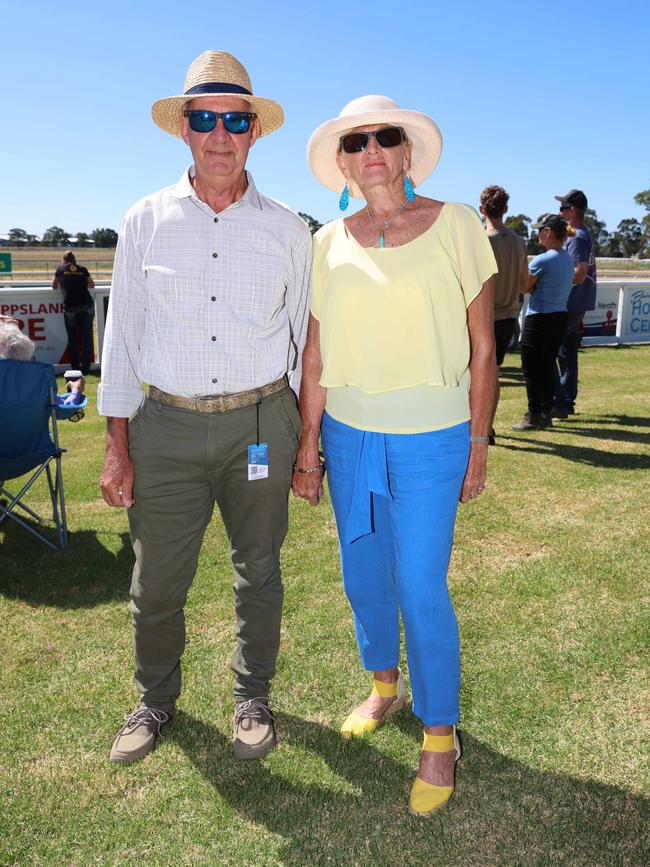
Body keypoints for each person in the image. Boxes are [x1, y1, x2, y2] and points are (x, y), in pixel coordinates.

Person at [98, 51, 311, 765]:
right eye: (205, 118)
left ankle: (254, 696)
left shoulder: (288, 229)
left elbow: (307, 340)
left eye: (235, 119)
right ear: (184, 130)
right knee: (156, 579)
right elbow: (121, 337)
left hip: (260, 427)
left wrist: (306, 442)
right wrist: (115, 444)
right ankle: (155, 699)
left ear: (255, 132)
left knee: (260, 568)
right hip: (166, 428)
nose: (221, 133)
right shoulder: (144, 219)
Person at [294, 95, 497, 816]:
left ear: (407, 153)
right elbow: (315, 351)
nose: (371, 149)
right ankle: (385, 685)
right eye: (357, 140)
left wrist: (477, 442)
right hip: (349, 435)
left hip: (434, 436)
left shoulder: (457, 225)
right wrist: (308, 444)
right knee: (362, 576)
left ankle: (440, 731)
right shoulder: (326, 241)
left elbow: (482, 347)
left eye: (386, 137)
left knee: (419, 583)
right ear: (343, 161)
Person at [512, 214, 574, 431]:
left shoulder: (542, 260)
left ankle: (534, 414)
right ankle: (545, 413)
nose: (537, 234)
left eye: (540, 230)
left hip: (539, 318)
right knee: (547, 366)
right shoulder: (567, 259)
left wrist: (529, 284)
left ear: (548, 232)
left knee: (531, 368)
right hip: (559, 317)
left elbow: (523, 286)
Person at [479, 185, 528, 438]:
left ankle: (479, 428)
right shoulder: (519, 242)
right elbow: (523, 283)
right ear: (506, 209)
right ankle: (487, 427)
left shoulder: (482, 241)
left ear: (481, 209)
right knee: (494, 373)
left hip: (483, 316)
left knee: (477, 374)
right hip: (508, 316)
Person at [552, 189, 597, 417]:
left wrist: (554, 279)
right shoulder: (581, 234)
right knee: (566, 352)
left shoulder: (577, 237)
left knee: (549, 349)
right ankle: (566, 399)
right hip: (577, 302)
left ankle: (558, 401)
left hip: (571, 302)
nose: (559, 212)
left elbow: (578, 274)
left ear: (571, 211)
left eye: (562, 208)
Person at [52, 252, 96, 375]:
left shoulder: (60, 269)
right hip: (86, 305)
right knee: (86, 338)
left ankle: (75, 366)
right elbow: (92, 284)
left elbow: (54, 286)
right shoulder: (83, 269)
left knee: (72, 339)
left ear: (64, 260)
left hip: (70, 308)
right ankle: (86, 368)